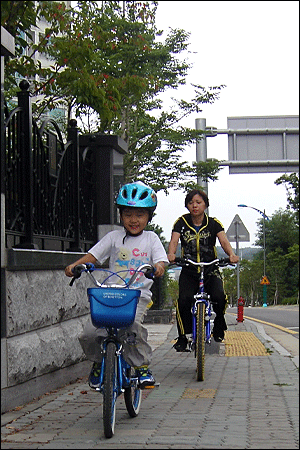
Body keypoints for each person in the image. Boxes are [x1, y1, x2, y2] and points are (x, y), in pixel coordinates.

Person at [65, 181, 169, 388]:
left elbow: (161, 260)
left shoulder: (151, 238)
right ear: (121, 215)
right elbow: (93, 256)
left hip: (137, 296)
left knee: (132, 328)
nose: (134, 220)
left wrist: (158, 267)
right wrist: (75, 266)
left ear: (149, 217)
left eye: (140, 215)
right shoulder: (113, 237)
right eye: (128, 214)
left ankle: (141, 368)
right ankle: (98, 362)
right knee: (90, 334)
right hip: (110, 294)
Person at [167, 189, 239, 350]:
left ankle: (219, 326)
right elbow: (174, 240)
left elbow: (223, 241)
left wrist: (232, 255)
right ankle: (183, 336)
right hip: (189, 268)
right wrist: (171, 254)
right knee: (183, 300)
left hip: (210, 267)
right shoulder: (181, 222)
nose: (195, 206)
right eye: (191, 203)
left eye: (198, 202)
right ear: (187, 205)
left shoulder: (213, 223)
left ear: (205, 205)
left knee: (219, 297)